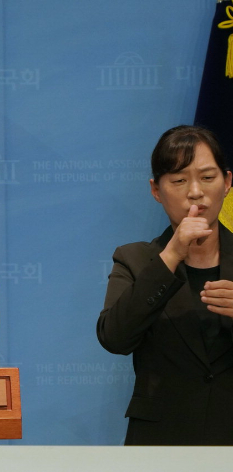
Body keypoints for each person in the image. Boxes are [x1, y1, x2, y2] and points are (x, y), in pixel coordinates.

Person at [98, 125, 233, 445]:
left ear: (227, 183)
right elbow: (114, 338)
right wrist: (171, 255)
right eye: (179, 180)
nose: (195, 192)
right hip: (160, 440)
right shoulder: (134, 260)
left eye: (207, 177)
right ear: (156, 190)